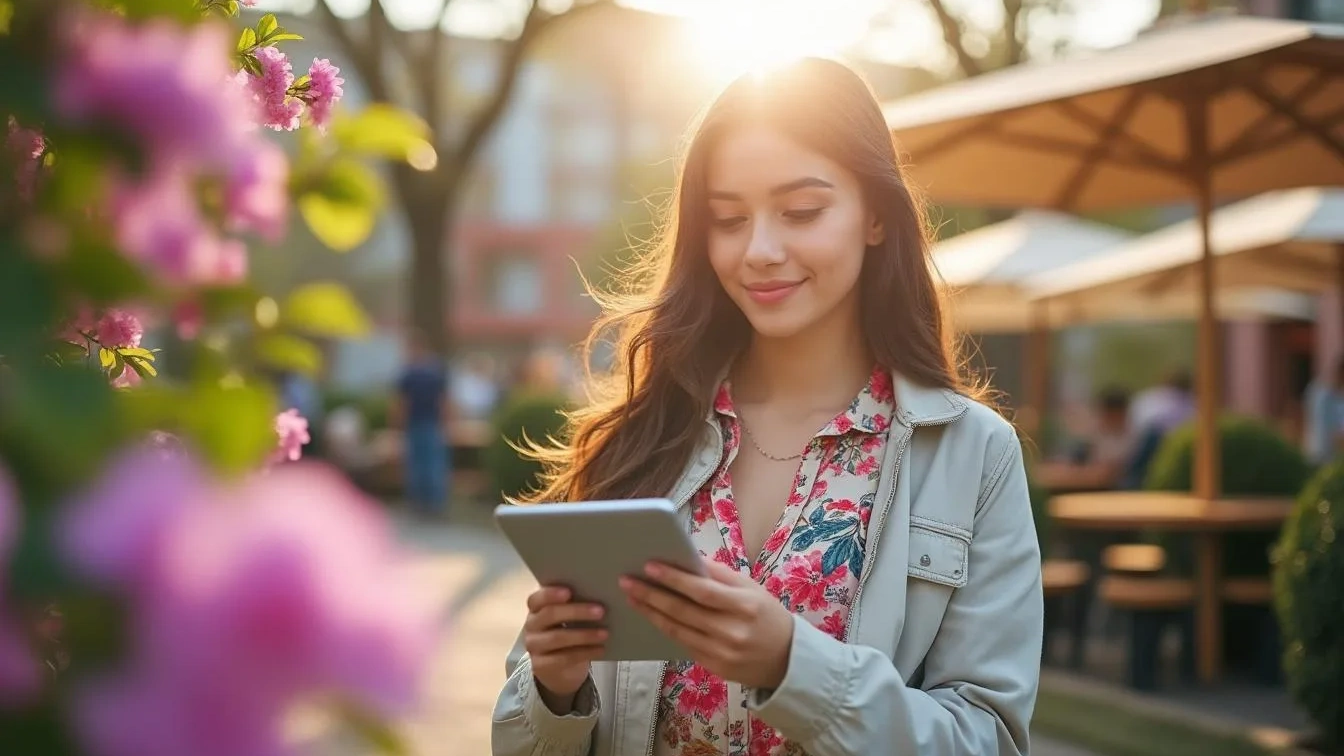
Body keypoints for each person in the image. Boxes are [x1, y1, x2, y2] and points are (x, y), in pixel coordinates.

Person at [491, 58, 1042, 756]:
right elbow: (518, 741)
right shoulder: (643, 434)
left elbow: (986, 740)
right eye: (728, 219)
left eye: (802, 212)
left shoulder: (972, 453)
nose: (759, 250)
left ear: (876, 216)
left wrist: (794, 667)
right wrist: (553, 690)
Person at [392, 330, 450, 516]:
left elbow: (403, 402)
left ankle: (418, 504)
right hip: (432, 423)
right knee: (433, 464)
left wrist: (397, 423)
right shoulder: (436, 371)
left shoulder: (409, 374)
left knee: (416, 465)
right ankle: (435, 504)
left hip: (416, 422)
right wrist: (446, 422)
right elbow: (443, 400)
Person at [1302, 359, 1344, 467]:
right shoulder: (1321, 394)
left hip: (1329, 455)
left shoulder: (1336, 397)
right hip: (1319, 453)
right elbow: (1327, 427)